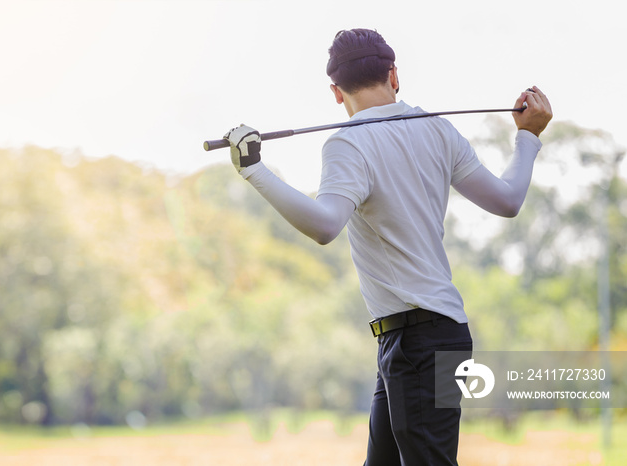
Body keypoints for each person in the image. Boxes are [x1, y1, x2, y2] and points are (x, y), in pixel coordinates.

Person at [223, 28, 552, 465]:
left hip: (417, 339)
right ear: (394, 74)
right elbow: (507, 201)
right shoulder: (437, 129)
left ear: (336, 93)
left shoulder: (347, 142)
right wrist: (527, 136)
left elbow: (325, 226)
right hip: (427, 336)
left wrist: (254, 169)